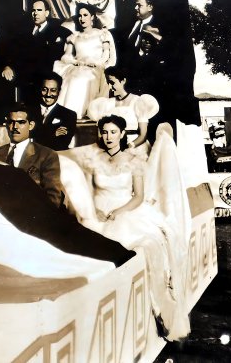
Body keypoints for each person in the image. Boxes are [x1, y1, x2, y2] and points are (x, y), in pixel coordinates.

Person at [71, 115, 190, 340]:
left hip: (126, 212)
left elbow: (139, 196)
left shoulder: (133, 160)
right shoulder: (93, 159)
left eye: (113, 132)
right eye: (104, 132)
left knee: (145, 247)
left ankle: (160, 312)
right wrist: (94, 211)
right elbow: (87, 191)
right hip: (97, 214)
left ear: (123, 134)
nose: (108, 137)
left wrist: (118, 212)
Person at [0, 103, 66, 210]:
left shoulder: (46, 156)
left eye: (21, 122)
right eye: (11, 122)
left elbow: (53, 199)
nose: (14, 127)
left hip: (31, 218)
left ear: (31, 125)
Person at [0, 0, 72, 105]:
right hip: (22, 71)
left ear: (46, 13)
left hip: (44, 73)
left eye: (39, 10)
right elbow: (13, 52)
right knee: (5, 78)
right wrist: (8, 66)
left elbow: (54, 56)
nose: (35, 13)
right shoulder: (23, 31)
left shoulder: (58, 31)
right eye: (33, 10)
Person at [53, 2, 116, 117]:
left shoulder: (102, 34)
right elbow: (66, 56)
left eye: (85, 15)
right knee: (72, 79)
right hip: (78, 66)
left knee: (85, 79)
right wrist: (76, 62)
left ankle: (82, 113)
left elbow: (106, 54)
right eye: (80, 15)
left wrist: (97, 63)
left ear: (92, 17)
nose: (82, 18)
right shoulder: (75, 36)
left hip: (95, 67)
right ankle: (68, 116)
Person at [87, 65, 159, 151]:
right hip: (111, 149)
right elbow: (100, 134)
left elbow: (143, 135)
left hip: (133, 147)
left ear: (123, 81)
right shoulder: (105, 104)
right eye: (108, 83)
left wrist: (128, 147)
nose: (110, 87)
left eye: (112, 83)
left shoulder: (138, 102)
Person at [117, 0, 168, 96]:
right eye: (136, 5)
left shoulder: (160, 25)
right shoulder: (133, 24)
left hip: (149, 81)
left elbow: (165, 50)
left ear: (150, 7)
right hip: (130, 80)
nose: (135, 8)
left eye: (139, 5)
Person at [32, 72, 77, 151]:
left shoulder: (69, 115)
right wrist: (53, 133)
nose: (48, 94)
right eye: (44, 90)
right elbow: (25, 140)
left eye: (53, 90)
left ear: (58, 92)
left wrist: (39, 135)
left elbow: (61, 144)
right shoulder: (29, 111)